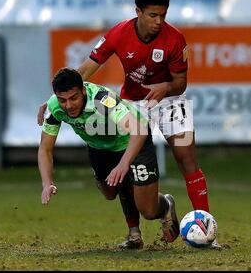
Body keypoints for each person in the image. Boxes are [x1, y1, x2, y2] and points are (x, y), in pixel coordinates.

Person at [38, 0, 220, 249]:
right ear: (138, 12)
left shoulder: (175, 39)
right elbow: (86, 69)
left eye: (163, 16)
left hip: (170, 101)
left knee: (187, 159)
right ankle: (135, 233)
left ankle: (207, 231)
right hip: (135, 103)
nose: (159, 22)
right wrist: (54, 98)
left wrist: (166, 87)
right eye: (153, 15)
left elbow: (181, 83)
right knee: (122, 165)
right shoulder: (118, 33)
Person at [38, 67, 179, 249]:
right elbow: (45, 149)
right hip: (100, 147)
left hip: (133, 139)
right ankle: (134, 235)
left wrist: (123, 164)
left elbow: (138, 130)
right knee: (109, 192)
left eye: (74, 98)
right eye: (62, 100)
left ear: (83, 90)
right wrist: (47, 182)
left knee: (149, 211)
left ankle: (166, 204)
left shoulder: (102, 100)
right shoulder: (54, 107)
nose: (69, 105)